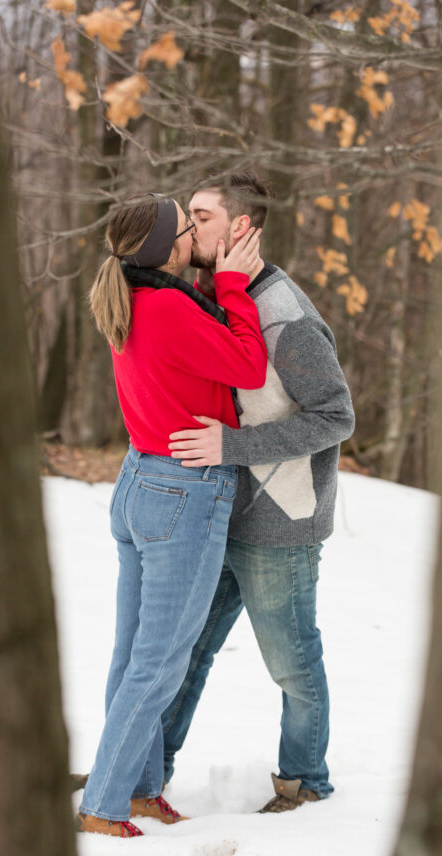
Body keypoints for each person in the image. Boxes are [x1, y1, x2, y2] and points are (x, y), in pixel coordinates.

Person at [161, 172, 356, 812]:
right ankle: (142, 775)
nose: (189, 229)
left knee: (292, 666)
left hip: (280, 529)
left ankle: (304, 783)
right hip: (217, 516)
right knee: (183, 654)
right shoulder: (214, 295)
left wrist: (232, 448)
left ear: (242, 228)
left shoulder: (288, 317)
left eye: (202, 216)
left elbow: (336, 416)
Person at [75, 193, 267, 837]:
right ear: (172, 249)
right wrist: (235, 287)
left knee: (135, 654)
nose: (195, 235)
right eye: (189, 228)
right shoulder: (168, 309)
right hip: (182, 494)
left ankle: (138, 788)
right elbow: (247, 364)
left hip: (140, 483)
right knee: (159, 662)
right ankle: (103, 806)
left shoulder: (130, 298)